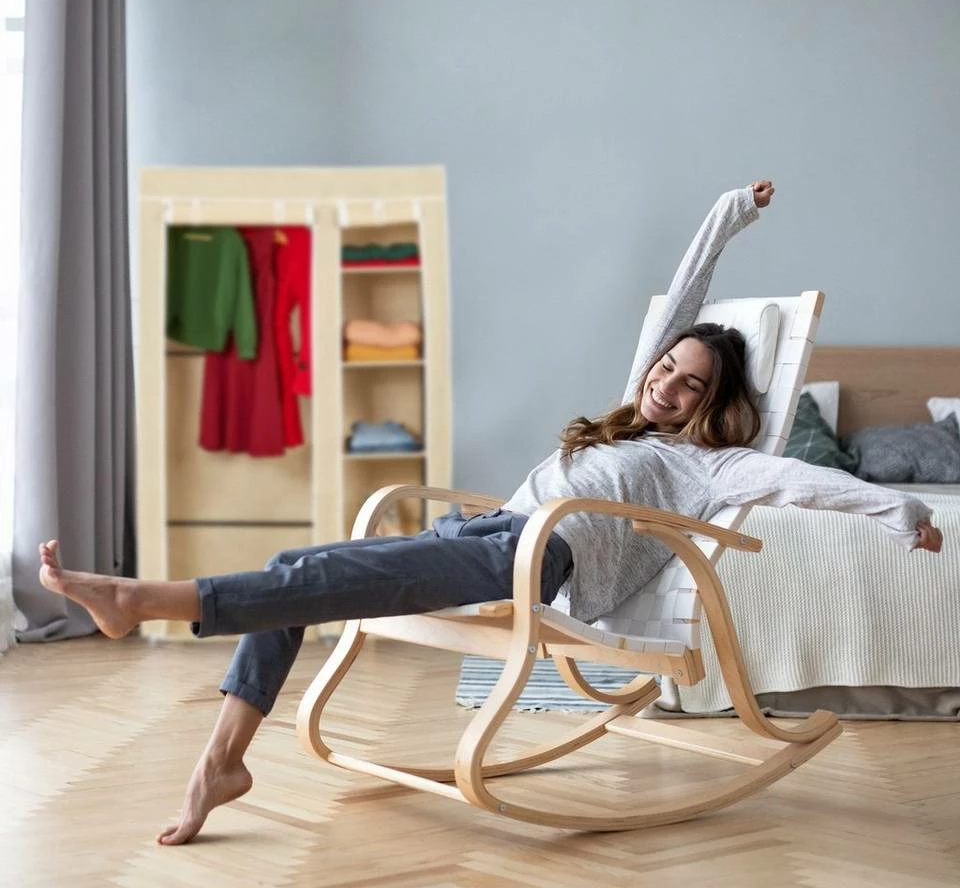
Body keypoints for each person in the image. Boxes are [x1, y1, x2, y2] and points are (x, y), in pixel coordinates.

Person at [38, 180, 943, 845]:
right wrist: (730, 211)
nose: (666, 384)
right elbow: (683, 297)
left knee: (307, 577)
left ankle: (144, 599)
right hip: (484, 535)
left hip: (535, 559)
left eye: (689, 385)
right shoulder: (626, 414)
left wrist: (901, 511)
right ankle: (222, 763)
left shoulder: (710, 467)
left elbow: (802, 482)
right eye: (666, 367)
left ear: (714, 404)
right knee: (300, 579)